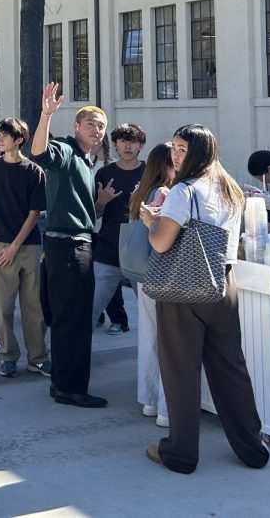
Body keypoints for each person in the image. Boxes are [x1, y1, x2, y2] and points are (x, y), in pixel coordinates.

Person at [140, 124, 270, 475]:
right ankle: (251, 447)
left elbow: (161, 243)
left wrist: (150, 219)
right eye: (175, 148)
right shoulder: (230, 188)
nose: (176, 155)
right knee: (231, 369)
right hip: (224, 283)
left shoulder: (184, 191)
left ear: (198, 152)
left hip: (185, 288)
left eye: (182, 149)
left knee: (181, 372)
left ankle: (180, 453)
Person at [29, 83, 108, 408]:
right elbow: (38, 152)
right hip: (70, 247)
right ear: (76, 127)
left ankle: (63, 383)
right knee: (73, 321)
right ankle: (70, 389)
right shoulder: (65, 150)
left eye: (102, 126)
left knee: (71, 319)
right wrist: (46, 115)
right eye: (91, 124)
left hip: (75, 245)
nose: (98, 131)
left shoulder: (86, 162)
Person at [0, 117, 50, 379]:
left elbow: (34, 214)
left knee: (33, 307)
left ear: (19, 140)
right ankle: (8, 356)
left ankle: (38, 358)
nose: (0, 139)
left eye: (6, 135)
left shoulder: (34, 171)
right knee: (2, 306)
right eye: (0, 134)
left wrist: (15, 246)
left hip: (28, 246)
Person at [127, 142, 175, 428]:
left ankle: (149, 399)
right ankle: (165, 408)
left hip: (143, 272)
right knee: (168, 341)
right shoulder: (164, 193)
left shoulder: (141, 191)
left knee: (149, 336)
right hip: (163, 272)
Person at [91, 123, 147, 335]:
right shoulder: (104, 173)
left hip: (141, 251)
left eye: (133, 141)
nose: (128, 146)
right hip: (107, 249)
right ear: (114, 144)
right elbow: (92, 214)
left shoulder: (150, 172)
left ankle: (160, 366)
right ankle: (72, 362)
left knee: (153, 314)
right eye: (123, 141)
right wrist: (101, 203)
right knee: (90, 307)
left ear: (140, 145)